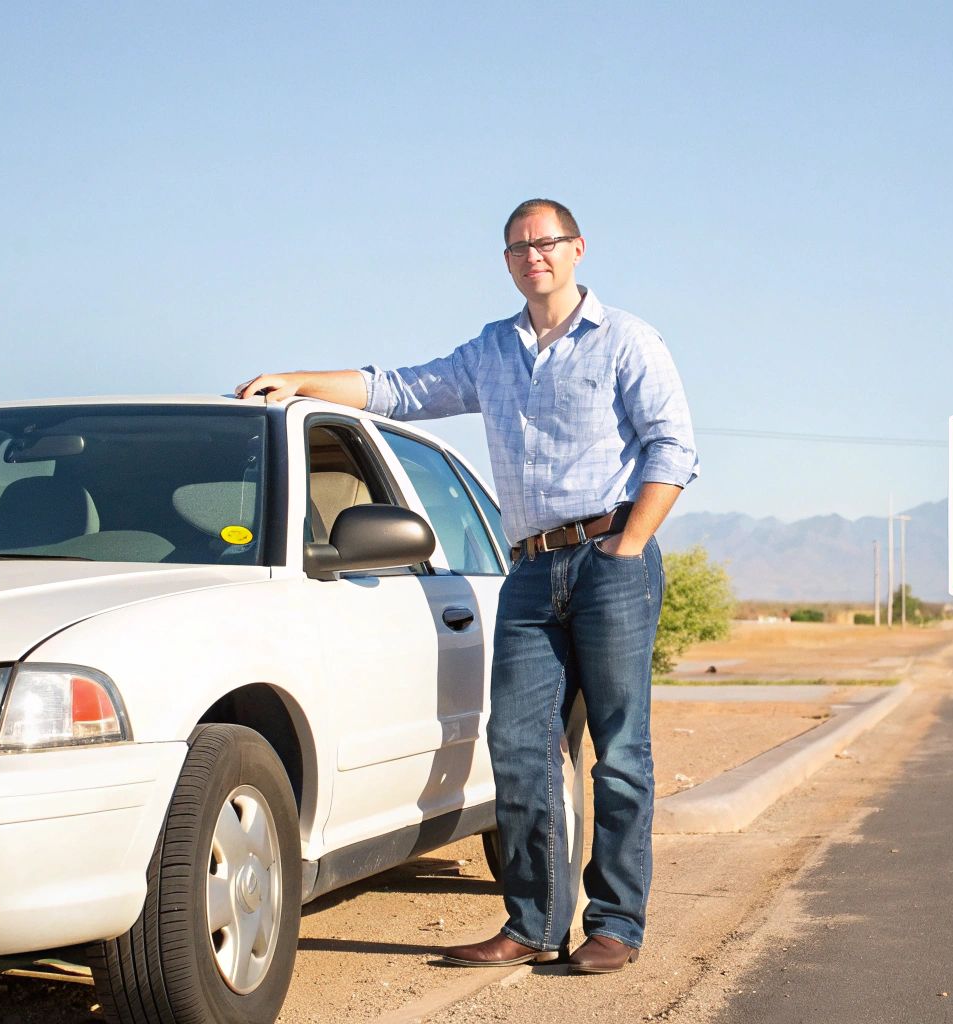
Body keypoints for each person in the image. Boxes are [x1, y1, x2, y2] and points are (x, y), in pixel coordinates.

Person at [236, 198, 697, 974]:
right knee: (517, 746)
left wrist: (630, 544)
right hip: (526, 568)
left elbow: (673, 445)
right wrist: (298, 380)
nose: (532, 256)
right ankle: (534, 923)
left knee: (620, 752)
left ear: (578, 248)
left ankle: (614, 925)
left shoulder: (627, 339)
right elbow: (404, 389)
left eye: (545, 242)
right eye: (517, 247)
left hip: (608, 558)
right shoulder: (494, 349)